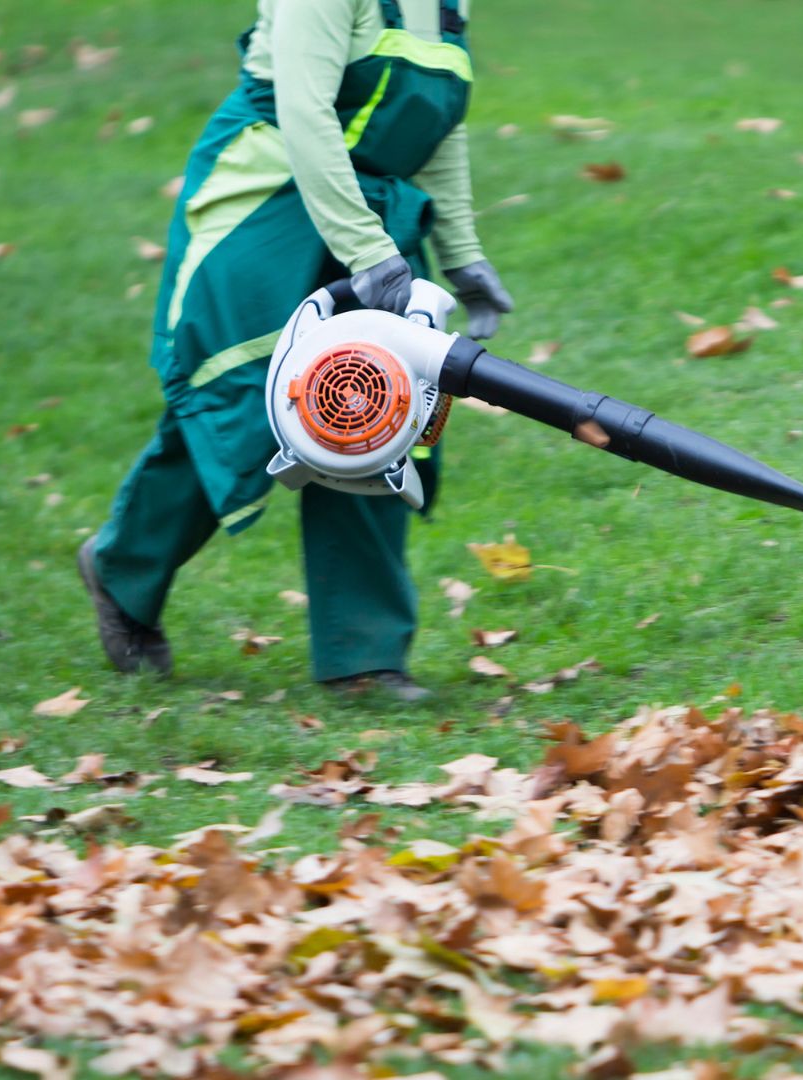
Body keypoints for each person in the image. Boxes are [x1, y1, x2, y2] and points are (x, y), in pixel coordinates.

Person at [76, 0, 512, 702]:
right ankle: (122, 568)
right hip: (266, 198)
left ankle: (363, 660)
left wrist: (463, 255)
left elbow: (440, 126)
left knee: (377, 410)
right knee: (243, 406)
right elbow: (306, 114)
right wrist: (367, 250)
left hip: (366, 211)